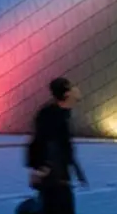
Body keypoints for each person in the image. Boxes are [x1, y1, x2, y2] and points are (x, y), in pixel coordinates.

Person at [26, 77, 87, 214]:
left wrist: (77, 169)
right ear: (66, 94)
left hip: (60, 176)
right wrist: (40, 167)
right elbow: (38, 141)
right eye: (73, 87)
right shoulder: (49, 114)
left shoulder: (62, 113)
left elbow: (64, 145)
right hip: (52, 177)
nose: (77, 89)